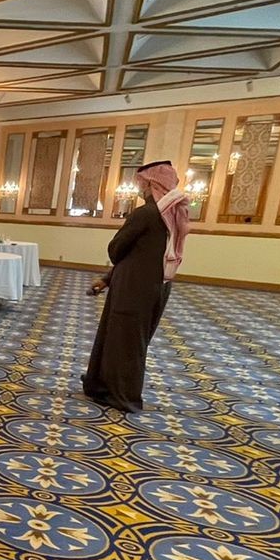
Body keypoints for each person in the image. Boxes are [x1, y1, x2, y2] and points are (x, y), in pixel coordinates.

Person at [82, 160, 190, 413]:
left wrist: (113, 270)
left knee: (125, 340)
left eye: (142, 184)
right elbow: (141, 255)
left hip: (133, 288)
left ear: (152, 184)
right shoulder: (173, 213)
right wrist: (107, 280)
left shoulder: (146, 213)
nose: (140, 189)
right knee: (124, 337)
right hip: (153, 287)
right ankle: (101, 385)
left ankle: (122, 395)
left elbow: (117, 250)